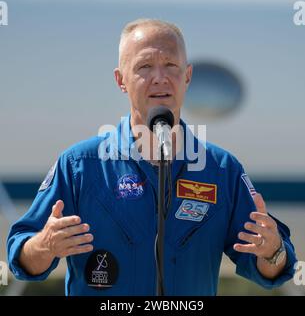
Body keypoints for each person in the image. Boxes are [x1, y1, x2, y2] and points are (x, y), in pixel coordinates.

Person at [7, 18, 297, 296]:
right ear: (121, 80)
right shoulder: (80, 165)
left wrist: (273, 251)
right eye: (145, 66)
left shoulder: (222, 170)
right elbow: (22, 258)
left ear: (187, 76)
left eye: (171, 65)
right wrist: (44, 245)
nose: (160, 78)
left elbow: (271, 271)